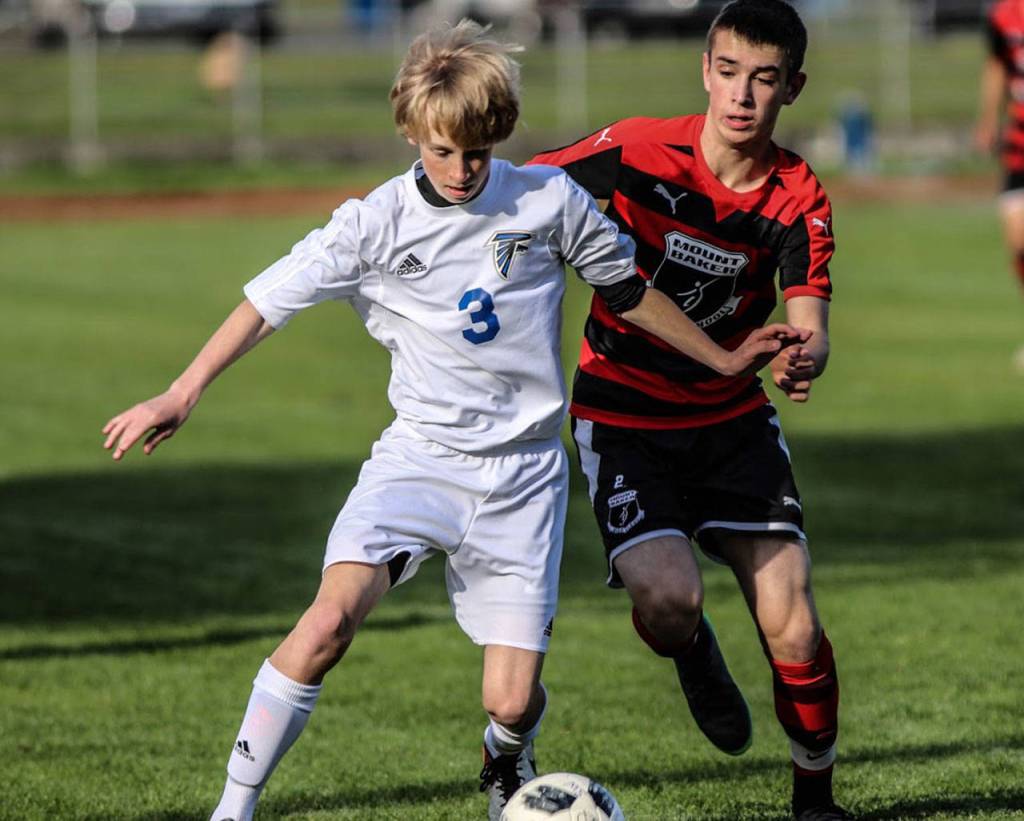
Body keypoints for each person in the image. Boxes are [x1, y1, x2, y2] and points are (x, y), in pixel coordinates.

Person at [101, 19, 803, 821]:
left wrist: (719, 357)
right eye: (442, 152)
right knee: (327, 622)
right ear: (409, 131)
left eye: (476, 152)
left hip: (524, 477)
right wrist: (182, 390)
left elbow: (628, 291)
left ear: (497, 136)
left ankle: (508, 754)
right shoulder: (371, 224)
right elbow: (265, 304)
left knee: (509, 698)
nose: (462, 170)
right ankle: (233, 809)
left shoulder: (547, 200)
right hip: (420, 461)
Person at [530, 1, 850, 818]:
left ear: (793, 88)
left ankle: (814, 800)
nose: (742, 96)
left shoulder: (795, 195)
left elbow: (808, 311)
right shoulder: (637, 151)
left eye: (765, 80)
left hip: (731, 420)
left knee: (795, 627)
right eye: (730, 72)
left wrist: (802, 353)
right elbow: (525, 187)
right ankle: (690, 648)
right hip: (625, 414)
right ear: (706, 69)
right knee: (670, 604)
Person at [975, 0, 1024, 371]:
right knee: (1018, 241)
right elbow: (996, 64)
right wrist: (989, 119)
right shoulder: (1003, 15)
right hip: (1020, 148)